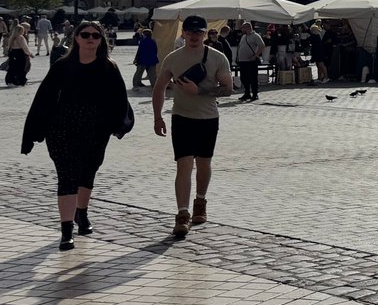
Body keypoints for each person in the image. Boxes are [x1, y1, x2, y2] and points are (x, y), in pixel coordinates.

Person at [21, 20, 132, 249]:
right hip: (61, 129)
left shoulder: (108, 67)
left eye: (95, 35)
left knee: (87, 173)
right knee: (67, 177)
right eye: (85, 34)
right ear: (77, 38)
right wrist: (33, 131)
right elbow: (43, 98)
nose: (90, 38)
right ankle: (66, 230)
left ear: (101, 40)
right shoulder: (62, 66)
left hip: (95, 130)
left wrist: (119, 124)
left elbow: (119, 99)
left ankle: (82, 213)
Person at [151, 15, 235, 239]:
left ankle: (200, 201)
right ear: (183, 33)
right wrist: (157, 117)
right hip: (182, 117)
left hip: (208, 118)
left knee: (204, 163)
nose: (194, 36)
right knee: (184, 165)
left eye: (199, 32)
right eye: (190, 31)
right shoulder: (173, 58)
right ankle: (182, 214)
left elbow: (228, 89)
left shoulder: (217, 57)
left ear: (205, 34)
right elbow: (159, 88)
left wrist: (199, 91)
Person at [233, 21, 266, 102]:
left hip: (251, 61)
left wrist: (255, 55)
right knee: (244, 78)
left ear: (247, 28)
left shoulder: (255, 36)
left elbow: (262, 46)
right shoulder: (244, 36)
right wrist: (237, 57)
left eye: (243, 28)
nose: (242, 29)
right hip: (242, 61)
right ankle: (247, 93)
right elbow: (240, 46)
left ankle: (255, 94)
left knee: (252, 77)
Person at [6, 20, 32, 86]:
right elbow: (24, 47)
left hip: (13, 52)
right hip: (20, 52)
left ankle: (11, 81)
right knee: (22, 67)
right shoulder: (20, 37)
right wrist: (30, 53)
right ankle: (21, 81)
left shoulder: (11, 37)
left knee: (13, 67)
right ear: (20, 31)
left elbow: (9, 46)